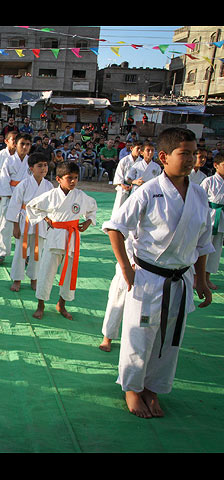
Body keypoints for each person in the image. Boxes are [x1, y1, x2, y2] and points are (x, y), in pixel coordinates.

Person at [103, 127, 213, 419]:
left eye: (194, 153)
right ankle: (131, 387)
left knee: (169, 338)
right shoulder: (148, 191)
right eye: (184, 153)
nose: (191, 159)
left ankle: (152, 388)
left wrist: (201, 279)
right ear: (164, 157)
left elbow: (203, 243)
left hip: (180, 278)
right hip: (148, 276)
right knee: (140, 334)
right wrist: (126, 268)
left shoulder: (200, 196)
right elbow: (115, 227)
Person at [27, 161, 97, 320]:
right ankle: (41, 305)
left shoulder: (80, 196)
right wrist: (44, 217)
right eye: (69, 178)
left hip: (72, 238)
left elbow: (92, 208)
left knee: (70, 274)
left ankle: (62, 304)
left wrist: (87, 221)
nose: (73, 181)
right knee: (46, 272)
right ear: (58, 179)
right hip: (55, 237)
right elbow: (32, 206)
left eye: (76, 178)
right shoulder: (51, 195)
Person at [5, 153, 53, 292]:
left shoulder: (49, 186)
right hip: (24, 221)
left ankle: (34, 278)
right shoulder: (24, 184)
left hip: (42, 222)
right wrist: (15, 226)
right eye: (40, 166)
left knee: (38, 251)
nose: (43, 168)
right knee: (21, 251)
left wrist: (51, 222)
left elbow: (52, 207)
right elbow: (14, 205)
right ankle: (17, 279)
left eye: (45, 165)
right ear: (31, 168)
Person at [0, 132, 32, 265]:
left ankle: (25, 254)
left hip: (26, 199)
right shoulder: (9, 160)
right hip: (10, 196)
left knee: (26, 226)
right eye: (22, 144)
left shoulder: (31, 162)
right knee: (5, 225)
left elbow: (34, 181)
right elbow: (4, 180)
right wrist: (11, 196)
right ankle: (1, 252)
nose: (25, 147)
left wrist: (26, 197)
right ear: (16, 144)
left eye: (28, 144)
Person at [201, 152, 224, 290]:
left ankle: (207, 278)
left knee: (215, 251)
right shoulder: (208, 181)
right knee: (204, 248)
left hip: (221, 219)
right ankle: (197, 277)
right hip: (209, 217)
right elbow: (199, 201)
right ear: (215, 165)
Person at [112, 140, 143, 214]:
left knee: (132, 208)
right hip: (123, 186)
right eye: (137, 148)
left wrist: (134, 184)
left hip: (135, 187)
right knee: (119, 206)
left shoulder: (141, 161)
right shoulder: (124, 160)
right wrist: (122, 185)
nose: (139, 151)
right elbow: (119, 174)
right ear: (132, 148)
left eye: (141, 149)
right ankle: (116, 221)